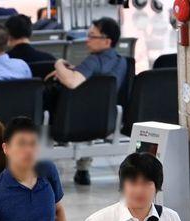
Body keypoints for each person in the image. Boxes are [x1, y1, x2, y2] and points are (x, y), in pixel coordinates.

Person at [48, 17, 129, 186]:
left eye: (92, 36)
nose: (88, 40)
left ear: (107, 41)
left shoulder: (93, 60)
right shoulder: (122, 62)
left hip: (74, 121)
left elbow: (72, 82)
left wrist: (59, 64)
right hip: (106, 120)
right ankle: (83, 167)